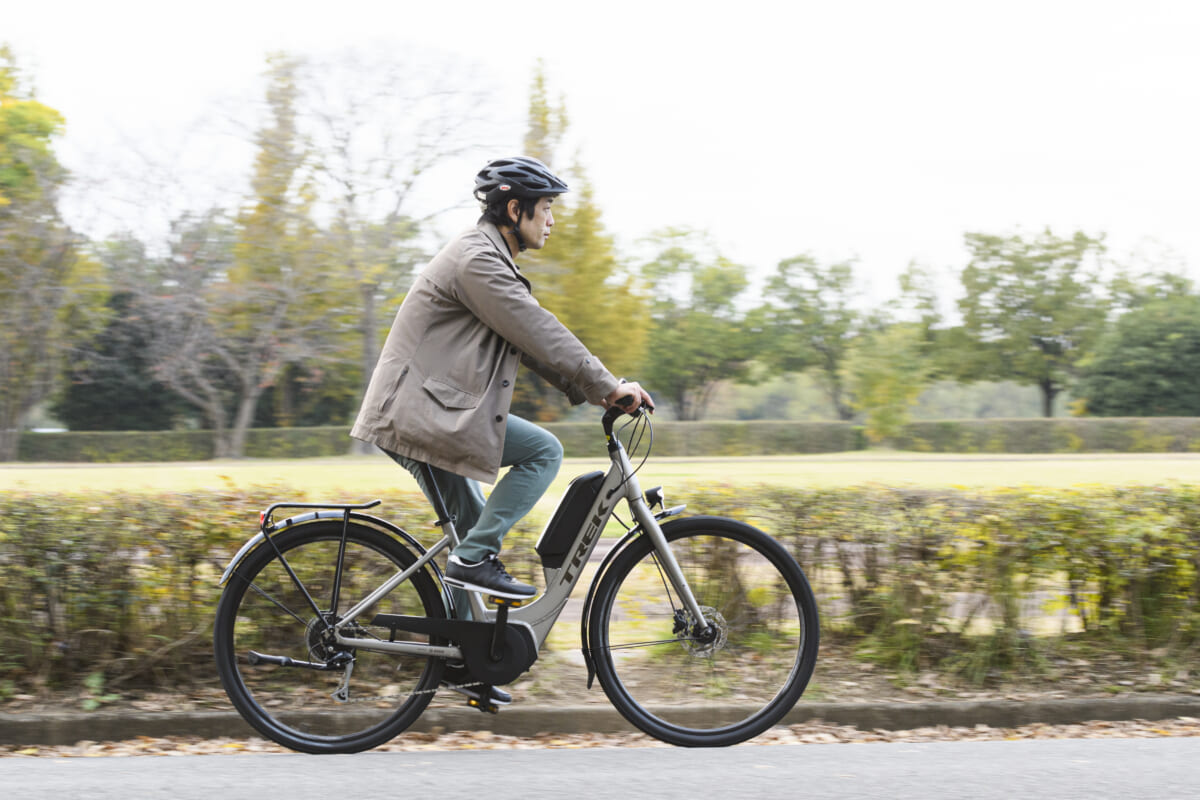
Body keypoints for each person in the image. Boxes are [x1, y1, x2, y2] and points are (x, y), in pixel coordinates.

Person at [350, 156, 653, 704]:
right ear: (515, 209)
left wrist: (599, 389)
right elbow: (536, 328)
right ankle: (472, 564)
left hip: (426, 408)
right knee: (542, 452)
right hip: (418, 411)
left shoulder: (487, 258)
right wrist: (608, 386)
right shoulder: (478, 260)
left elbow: (527, 341)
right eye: (546, 209)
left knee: (471, 527)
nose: (552, 220)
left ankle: (470, 665)